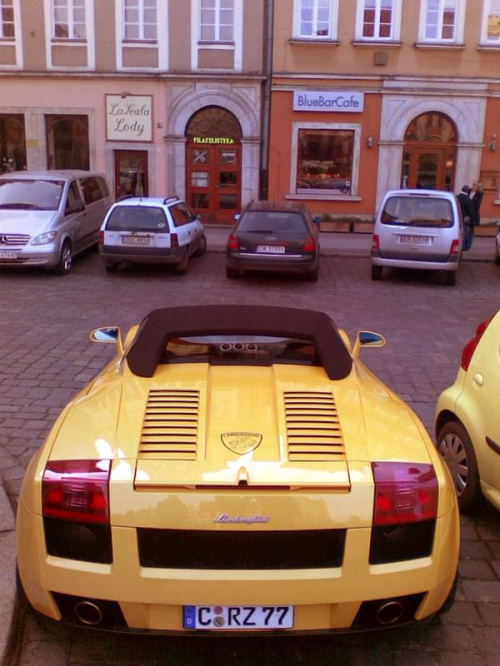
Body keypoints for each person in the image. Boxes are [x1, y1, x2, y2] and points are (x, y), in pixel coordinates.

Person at [457, 185, 474, 251]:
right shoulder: (468, 199)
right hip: (465, 218)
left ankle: (459, 245)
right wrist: (472, 219)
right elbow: (470, 211)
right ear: (467, 191)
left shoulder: (457, 197)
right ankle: (463, 246)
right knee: (464, 232)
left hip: (457, 217)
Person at [469, 181, 484, 249]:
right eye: (473, 185)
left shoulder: (479, 194)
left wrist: (470, 208)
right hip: (467, 212)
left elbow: (477, 205)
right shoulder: (469, 192)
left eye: (475, 186)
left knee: (471, 229)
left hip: (474, 213)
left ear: (478, 187)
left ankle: (469, 244)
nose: (473, 187)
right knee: (465, 229)